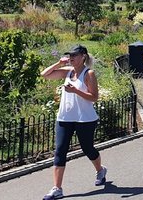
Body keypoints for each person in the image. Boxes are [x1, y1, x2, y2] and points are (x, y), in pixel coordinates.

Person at [40, 45, 107, 200]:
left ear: (83, 56)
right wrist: (58, 63)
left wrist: (75, 90)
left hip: (85, 119)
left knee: (88, 148)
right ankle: (57, 188)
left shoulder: (88, 74)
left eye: (74, 55)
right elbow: (45, 74)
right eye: (70, 55)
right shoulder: (68, 71)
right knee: (60, 151)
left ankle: (100, 170)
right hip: (65, 118)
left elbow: (94, 97)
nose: (71, 58)